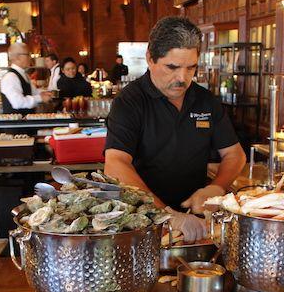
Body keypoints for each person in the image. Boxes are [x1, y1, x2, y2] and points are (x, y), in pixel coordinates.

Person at [104, 16, 246, 243]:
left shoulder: (205, 101)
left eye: (191, 68)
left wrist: (216, 187)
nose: (182, 78)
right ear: (150, 58)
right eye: (172, 67)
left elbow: (234, 154)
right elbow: (115, 163)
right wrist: (167, 214)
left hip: (195, 219)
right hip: (143, 220)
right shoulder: (130, 101)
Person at [0, 43, 53, 114]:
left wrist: (44, 93)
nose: (30, 58)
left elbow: (32, 92)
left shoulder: (24, 74)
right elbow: (18, 103)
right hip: (17, 123)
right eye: (28, 54)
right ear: (18, 57)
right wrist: (40, 98)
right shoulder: (10, 77)